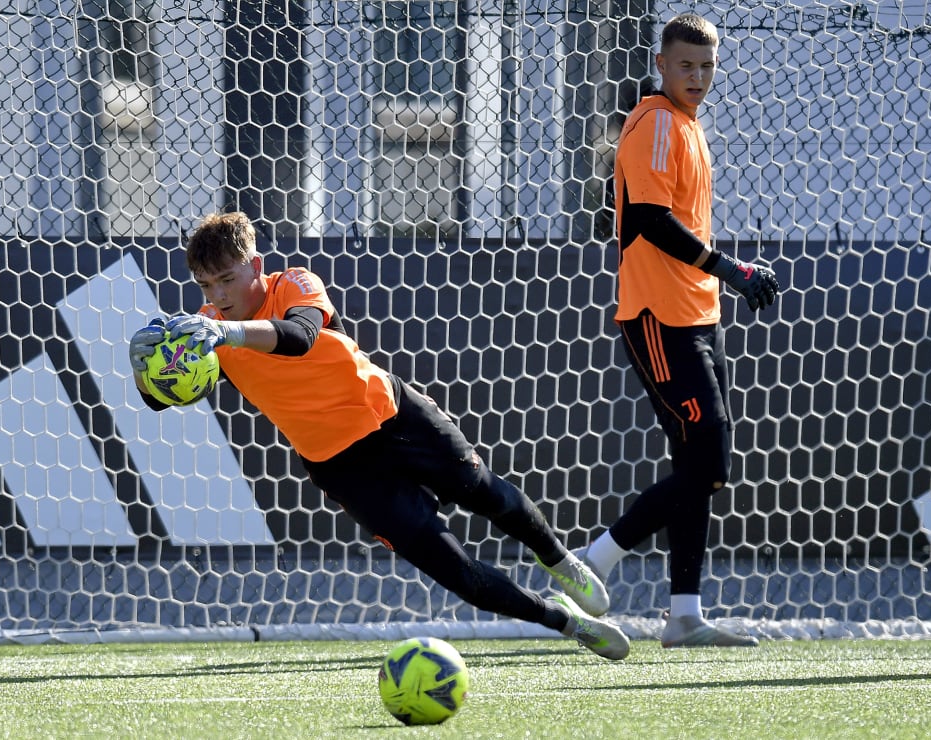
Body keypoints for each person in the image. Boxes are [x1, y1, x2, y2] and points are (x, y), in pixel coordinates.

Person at [128, 211, 629, 661]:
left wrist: (227, 334)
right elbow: (160, 398)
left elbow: (301, 336)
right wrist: (145, 367)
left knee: (488, 495)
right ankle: (567, 621)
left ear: (255, 265)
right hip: (343, 467)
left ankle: (561, 561)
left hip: (391, 415)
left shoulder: (293, 284)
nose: (217, 296)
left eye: (226, 280)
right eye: (205, 285)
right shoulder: (207, 329)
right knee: (455, 570)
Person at [580, 13, 779, 648]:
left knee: (699, 465)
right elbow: (646, 218)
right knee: (711, 457)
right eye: (685, 64)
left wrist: (723, 282)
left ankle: (684, 615)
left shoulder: (688, 125)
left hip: (697, 314)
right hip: (658, 318)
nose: (697, 76)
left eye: (707, 66)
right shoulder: (657, 123)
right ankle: (596, 559)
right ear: (661, 65)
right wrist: (732, 269)